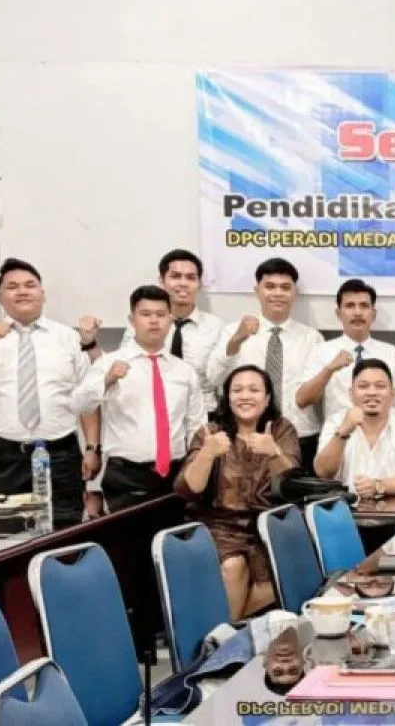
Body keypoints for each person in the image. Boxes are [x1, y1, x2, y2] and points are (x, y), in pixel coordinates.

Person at [0, 258, 102, 526]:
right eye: (12, 287)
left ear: (43, 294)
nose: (22, 291)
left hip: (60, 453)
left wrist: (91, 448)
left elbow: (87, 398)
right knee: (6, 535)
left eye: (30, 285)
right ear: (0, 297)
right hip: (5, 455)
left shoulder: (67, 337)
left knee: (65, 530)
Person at [175, 365, 300, 619]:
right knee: (234, 566)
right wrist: (207, 453)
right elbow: (187, 490)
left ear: (267, 399)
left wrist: (275, 453)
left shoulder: (281, 429)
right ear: (228, 398)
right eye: (237, 390)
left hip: (267, 527)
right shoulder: (211, 432)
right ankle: (226, 634)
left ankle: (218, 629)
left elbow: (293, 487)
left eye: (254, 390)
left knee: (291, 572)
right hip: (220, 526)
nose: (245, 396)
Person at [73, 286, 207, 511]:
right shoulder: (109, 363)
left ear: (170, 320)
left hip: (176, 474)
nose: (154, 321)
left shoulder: (184, 371)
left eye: (161, 314)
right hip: (127, 475)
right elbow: (79, 404)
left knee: (175, 533)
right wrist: (106, 381)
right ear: (132, 320)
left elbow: (196, 425)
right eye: (145, 314)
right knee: (130, 534)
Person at [208, 258, 324, 466]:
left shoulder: (312, 338)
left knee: (295, 488)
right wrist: (236, 340)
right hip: (246, 437)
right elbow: (214, 378)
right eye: (270, 286)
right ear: (257, 291)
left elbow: (317, 393)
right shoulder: (233, 331)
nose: (278, 293)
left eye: (285, 287)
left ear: (295, 293)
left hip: (300, 436)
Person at [122, 249, 224, 412]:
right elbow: (127, 368)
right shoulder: (143, 323)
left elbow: (220, 379)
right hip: (152, 411)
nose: (183, 283)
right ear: (161, 281)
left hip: (203, 413)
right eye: (175, 276)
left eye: (191, 277)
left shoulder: (216, 326)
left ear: (199, 284)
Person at [295, 278, 395, 420]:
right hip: (337, 431)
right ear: (338, 314)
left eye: (364, 306)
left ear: (373, 314)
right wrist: (329, 370)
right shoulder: (322, 351)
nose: (357, 312)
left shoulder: (391, 353)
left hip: (382, 431)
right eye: (350, 306)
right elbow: (302, 400)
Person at [313, 358, 395, 500]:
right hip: (345, 508)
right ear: (351, 393)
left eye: (380, 386)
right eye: (363, 386)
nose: (372, 392)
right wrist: (342, 433)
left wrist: (378, 486)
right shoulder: (336, 422)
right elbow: (323, 472)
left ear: (392, 394)